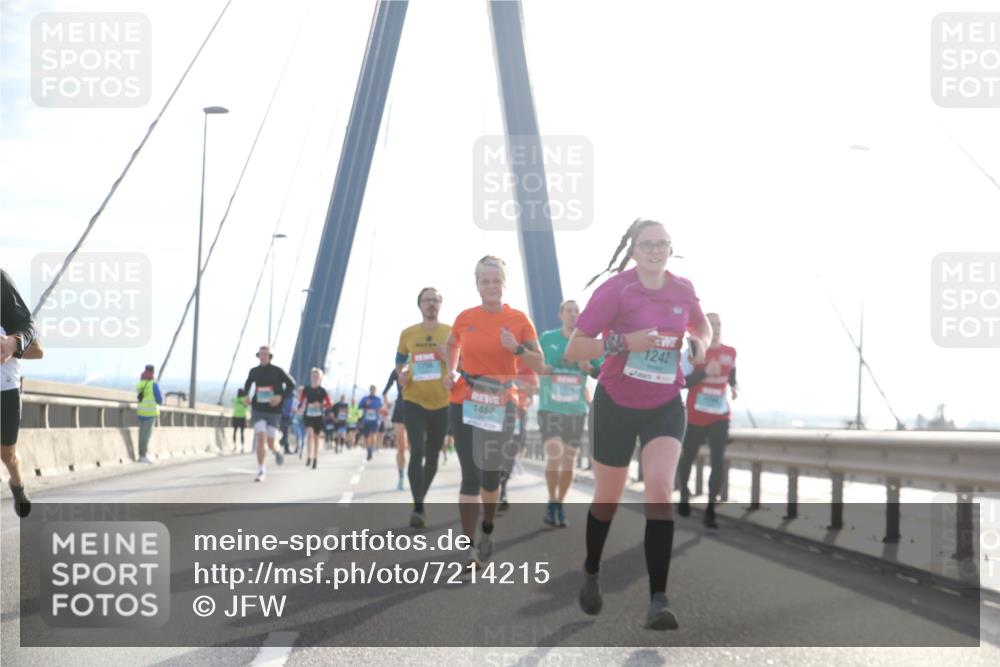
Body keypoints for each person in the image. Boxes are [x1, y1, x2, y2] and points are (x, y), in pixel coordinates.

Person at [565, 219, 711, 630]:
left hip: (665, 402)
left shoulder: (682, 288)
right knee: (607, 499)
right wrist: (626, 343)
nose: (655, 250)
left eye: (663, 243)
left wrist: (700, 342)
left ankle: (658, 600)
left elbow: (701, 325)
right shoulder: (616, 290)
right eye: (647, 244)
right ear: (633, 250)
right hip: (616, 402)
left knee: (660, 490)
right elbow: (577, 347)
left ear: (670, 248)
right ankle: (592, 569)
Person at [442, 256, 544, 569]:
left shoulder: (519, 320)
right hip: (465, 400)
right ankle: (469, 546)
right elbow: (450, 345)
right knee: (470, 476)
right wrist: (450, 370)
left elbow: (539, 363)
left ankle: (488, 526)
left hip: (501, 402)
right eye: (485, 281)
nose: (491, 286)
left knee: (490, 475)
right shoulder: (464, 318)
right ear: (477, 284)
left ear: (504, 283)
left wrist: (516, 349)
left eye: (496, 280)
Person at [538, 300, 602, 527]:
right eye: (569, 311)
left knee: (569, 461)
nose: (573, 315)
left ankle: (559, 503)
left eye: (577, 311)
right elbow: (533, 363)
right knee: (554, 455)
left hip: (575, 410)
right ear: (560, 315)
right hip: (550, 407)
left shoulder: (587, 342)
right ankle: (551, 500)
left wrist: (590, 369)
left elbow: (602, 371)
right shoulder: (547, 338)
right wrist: (541, 369)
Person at [394, 287, 451, 528]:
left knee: (433, 455)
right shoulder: (408, 333)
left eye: (435, 300)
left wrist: (447, 357)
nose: (431, 304)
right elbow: (399, 359)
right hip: (414, 400)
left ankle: (420, 497)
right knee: (416, 452)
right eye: (427, 300)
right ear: (419, 305)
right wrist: (401, 374)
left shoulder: (450, 333)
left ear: (440, 304)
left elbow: (463, 362)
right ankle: (418, 506)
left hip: (442, 402)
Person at [676, 312, 738, 529]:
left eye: (719, 324)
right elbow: (682, 382)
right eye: (711, 324)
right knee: (688, 456)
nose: (716, 327)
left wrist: (734, 385)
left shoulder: (730, 352)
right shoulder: (694, 352)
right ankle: (684, 491)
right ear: (705, 328)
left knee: (718, 461)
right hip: (695, 414)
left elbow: (731, 373)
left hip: (720, 415)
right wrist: (704, 374)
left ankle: (711, 509)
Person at [1, 269, 39, 518]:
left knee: (7, 454)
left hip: (5, 390)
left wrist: (13, 344)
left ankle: (17, 484)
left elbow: (29, 330)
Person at [243, 345, 296, 482]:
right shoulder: (254, 371)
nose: (263, 356)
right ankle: (261, 470)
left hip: (274, 411)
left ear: (270, 356)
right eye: (261, 354)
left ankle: (277, 451)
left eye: (266, 354)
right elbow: (248, 384)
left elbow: (292, 385)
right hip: (258, 409)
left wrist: (280, 397)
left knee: (271, 442)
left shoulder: (278, 371)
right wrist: (246, 396)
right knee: (261, 439)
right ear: (258, 356)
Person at [498, 364, 537, 512]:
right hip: (498, 410)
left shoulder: (527, 364)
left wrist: (517, 383)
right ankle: (494, 488)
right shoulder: (499, 356)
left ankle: (503, 491)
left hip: (519, 414)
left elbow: (533, 389)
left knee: (510, 455)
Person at [298, 368, 332, 470]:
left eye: (317, 376)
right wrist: (301, 407)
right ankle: (308, 456)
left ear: (320, 378)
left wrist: (320, 404)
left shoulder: (322, 391)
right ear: (310, 377)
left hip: (318, 416)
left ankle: (315, 458)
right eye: (313, 376)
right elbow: (301, 401)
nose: (315, 378)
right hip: (308, 416)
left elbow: (329, 404)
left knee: (316, 439)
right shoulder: (306, 389)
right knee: (310, 435)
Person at [382, 368, 408, 490]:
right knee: (401, 447)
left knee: (416, 448)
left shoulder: (418, 362)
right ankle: (401, 477)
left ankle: (415, 475)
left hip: (417, 407)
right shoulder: (397, 369)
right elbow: (385, 391)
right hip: (400, 408)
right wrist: (387, 403)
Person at [135, 364, 163, 464]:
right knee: (146, 435)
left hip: (141, 412)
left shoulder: (141, 383)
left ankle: (141, 455)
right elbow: (159, 400)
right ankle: (143, 456)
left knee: (141, 435)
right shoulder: (153, 384)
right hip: (150, 413)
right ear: (152, 372)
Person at [357, 385, 383, 461]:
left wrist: (379, 411)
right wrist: (365, 405)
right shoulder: (365, 398)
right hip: (366, 421)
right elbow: (359, 406)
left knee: (373, 436)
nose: (372, 390)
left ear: (376, 390)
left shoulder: (378, 399)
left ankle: (371, 450)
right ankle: (369, 451)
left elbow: (380, 408)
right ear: (369, 390)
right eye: (371, 389)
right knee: (366, 437)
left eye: (374, 389)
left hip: (375, 421)